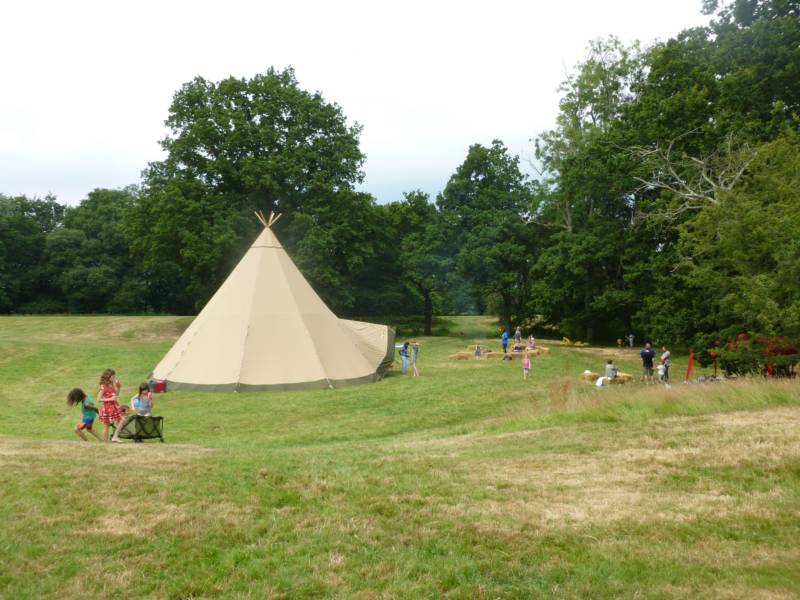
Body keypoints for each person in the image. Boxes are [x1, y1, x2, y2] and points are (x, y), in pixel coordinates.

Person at [97, 368, 124, 442]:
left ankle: (115, 437)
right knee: (106, 426)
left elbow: (116, 394)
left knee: (122, 420)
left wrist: (117, 386)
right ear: (108, 376)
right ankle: (106, 443)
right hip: (107, 408)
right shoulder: (103, 386)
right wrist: (110, 399)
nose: (114, 378)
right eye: (112, 376)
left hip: (114, 406)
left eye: (114, 376)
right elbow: (98, 399)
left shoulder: (112, 384)